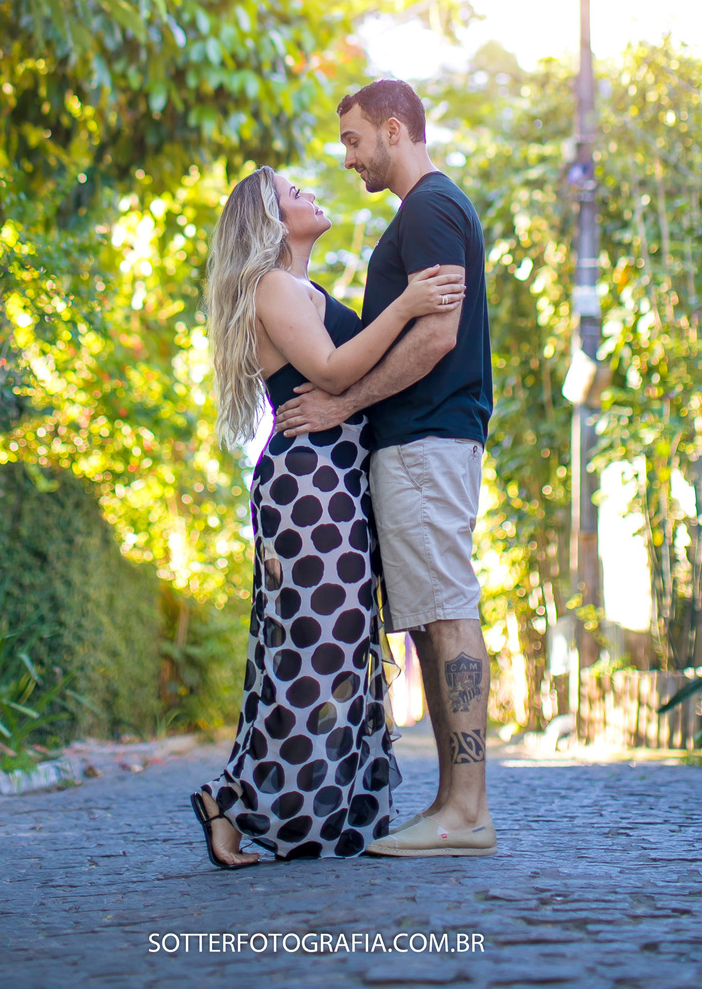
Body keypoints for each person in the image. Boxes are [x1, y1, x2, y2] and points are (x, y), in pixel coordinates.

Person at [191, 164, 466, 868]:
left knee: (329, 650)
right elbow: (336, 372)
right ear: (272, 222)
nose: (309, 192)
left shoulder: (298, 288)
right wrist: (406, 306)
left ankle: (265, 801)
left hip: (329, 481)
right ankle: (239, 800)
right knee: (319, 656)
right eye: (292, 193)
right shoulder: (275, 287)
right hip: (312, 486)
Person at [275, 79, 496, 858]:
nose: (348, 157)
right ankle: (451, 804)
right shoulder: (424, 213)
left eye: (354, 140)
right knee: (432, 620)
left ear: (394, 129)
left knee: (447, 610)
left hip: (429, 436)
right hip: (419, 441)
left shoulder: (430, 209)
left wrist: (343, 405)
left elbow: (437, 338)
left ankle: (468, 811)